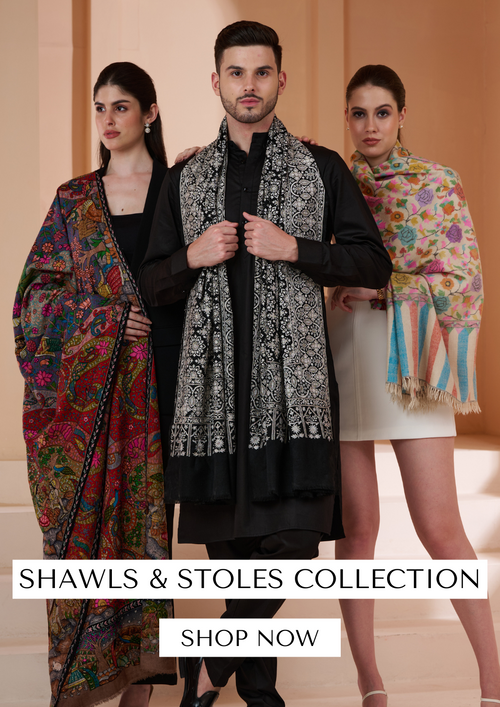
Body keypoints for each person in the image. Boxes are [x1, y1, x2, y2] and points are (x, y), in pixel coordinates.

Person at [139, 21, 392, 707]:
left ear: (281, 78)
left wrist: (297, 248)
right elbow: (152, 283)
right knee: (240, 571)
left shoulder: (323, 167)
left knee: (294, 544)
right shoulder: (184, 178)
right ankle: (256, 694)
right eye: (235, 72)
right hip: (213, 411)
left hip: (295, 408)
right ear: (215, 81)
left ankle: (207, 661)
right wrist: (191, 256)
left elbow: (373, 261)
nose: (248, 85)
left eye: (260, 72)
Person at [328, 64, 500, 706]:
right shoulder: (329, 183)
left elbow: (463, 280)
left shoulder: (437, 183)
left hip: (417, 360)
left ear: (402, 116)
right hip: (344, 354)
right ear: (347, 119)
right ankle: (370, 683)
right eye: (358, 113)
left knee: (440, 527)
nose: (370, 125)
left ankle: (493, 680)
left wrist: (383, 287)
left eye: (382, 112)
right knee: (356, 531)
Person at [13, 62, 178, 707]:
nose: (109, 120)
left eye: (122, 106)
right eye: (100, 108)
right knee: (81, 552)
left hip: (165, 388)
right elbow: (33, 301)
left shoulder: (179, 189)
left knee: (148, 541)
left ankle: (140, 692)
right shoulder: (74, 200)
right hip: (92, 407)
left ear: (150, 112)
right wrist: (103, 320)